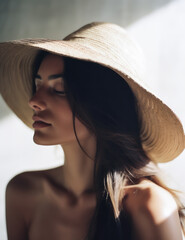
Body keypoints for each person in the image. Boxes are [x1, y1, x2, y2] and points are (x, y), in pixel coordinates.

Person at [0, 22, 184, 240]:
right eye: (37, 85)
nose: (34, 101)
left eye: (59, 90)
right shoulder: (23, 193)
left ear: (103, 106)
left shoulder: (149, 206)